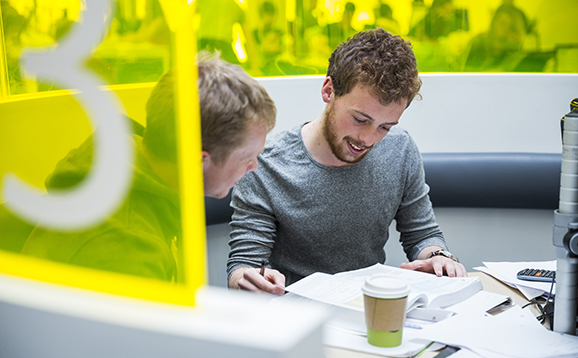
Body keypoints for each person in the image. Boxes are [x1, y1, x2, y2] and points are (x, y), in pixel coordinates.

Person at [227, 28, 466, 295]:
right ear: (329, 90)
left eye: (384, 126)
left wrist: (439, 256)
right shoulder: (265, 164)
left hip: (371, 308)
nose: (367, 139)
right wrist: (248, 278)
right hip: (297, 316)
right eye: (360, 119)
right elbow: (243, 264)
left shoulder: (400, 148)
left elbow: (422, 234)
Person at [19, 52, 276, 281]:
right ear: (198, 161)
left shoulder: (128, 163)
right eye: (245, 158)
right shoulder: (127, 247)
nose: (254, 166)